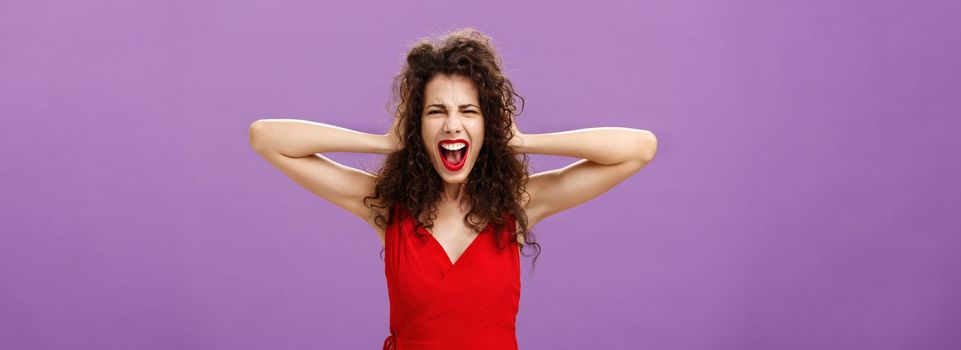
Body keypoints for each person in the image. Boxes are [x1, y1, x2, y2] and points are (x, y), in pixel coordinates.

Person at [248, 27, 657, 350]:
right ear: (418, 126)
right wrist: (387, 141)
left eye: (469, 111)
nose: (452, 125)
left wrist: (519, 140)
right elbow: (266, 137)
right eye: (435, 111)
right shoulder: (387, 206)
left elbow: (639, 148)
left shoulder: (520, 204)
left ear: (487, 124)